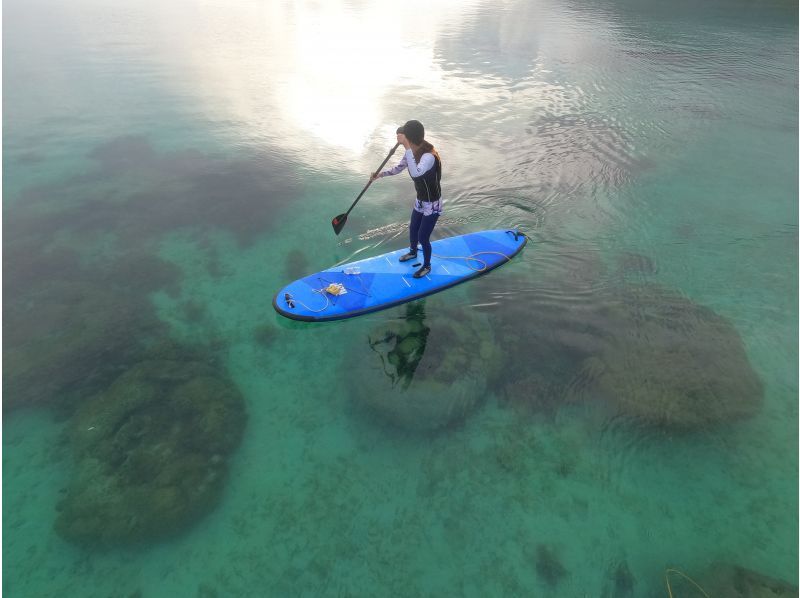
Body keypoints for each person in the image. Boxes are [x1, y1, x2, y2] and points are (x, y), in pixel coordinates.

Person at [370, 120, 442, 278]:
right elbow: (399, 168)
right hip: (420, 200)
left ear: (409, 139)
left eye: (404, 140)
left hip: (433, 204)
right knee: (413, 229)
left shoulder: (428, 156)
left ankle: (427, 266)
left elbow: (416, 173)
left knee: (423, 237)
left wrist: (407, 146)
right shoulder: (412, 151)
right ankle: (413, 252)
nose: (401, 144)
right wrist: (380, 175)